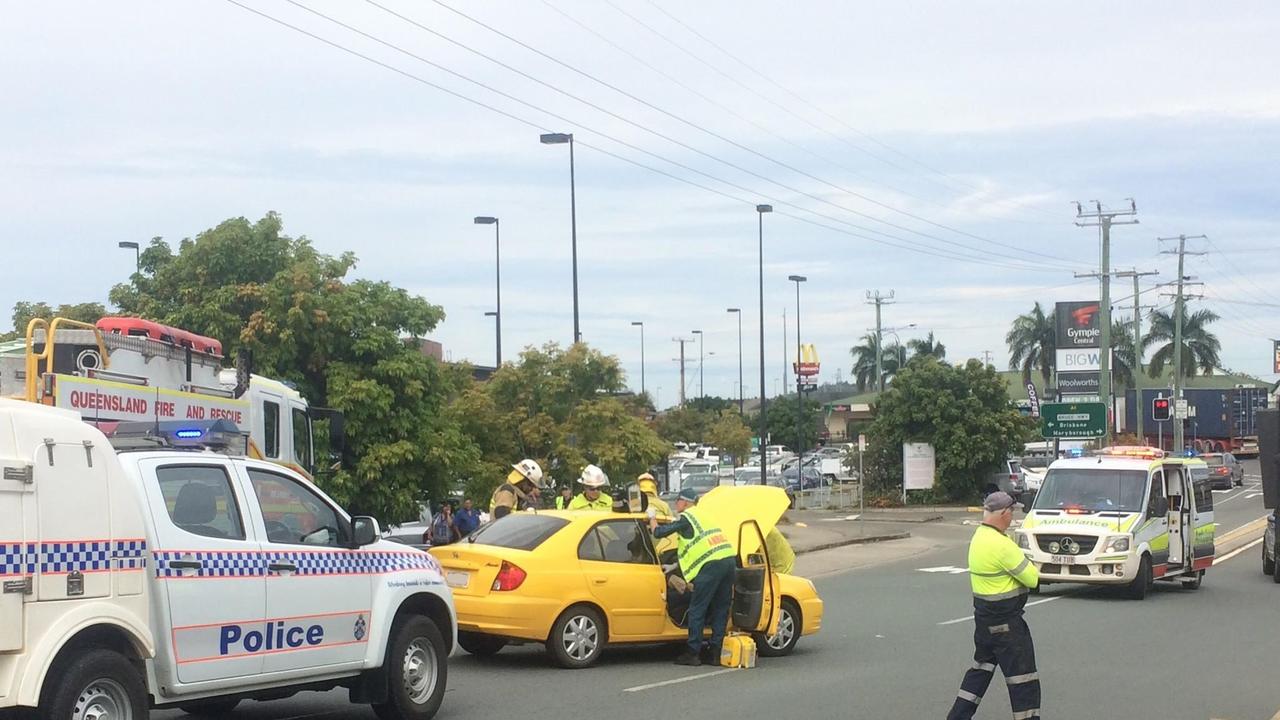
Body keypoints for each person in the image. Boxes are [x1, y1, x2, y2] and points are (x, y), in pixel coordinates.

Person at [946, 492, 1041, 720]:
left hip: (984, 620)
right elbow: (1032, 578)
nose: (1013, 517)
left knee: (980, 671)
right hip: (1007, 625)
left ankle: (957, 717)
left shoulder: (979, 538)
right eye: (1012, 512)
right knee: (1023, 681)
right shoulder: (1001, 544)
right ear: (1004, 513)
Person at [650, 487, 737, 667]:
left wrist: (651, 517)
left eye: (679, 500)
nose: (676, 504)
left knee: (698, 608)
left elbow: (658, 533)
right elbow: (699, 547)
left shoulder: (687, 517)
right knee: (721, 608)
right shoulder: (705, 516)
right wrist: (673, 566)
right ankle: (715, 653)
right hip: (728, 561)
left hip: (711, 567)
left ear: (687, 502)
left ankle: (693, 653)